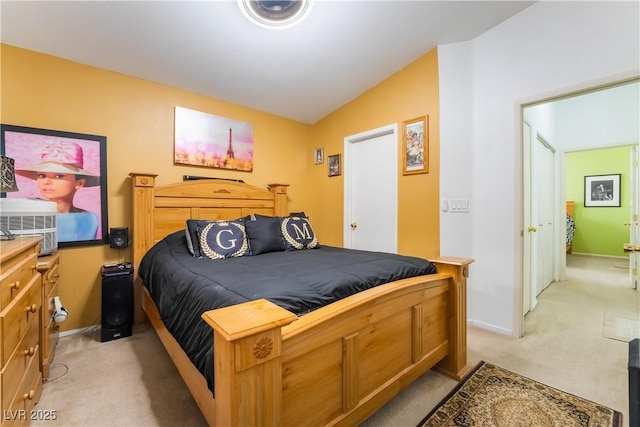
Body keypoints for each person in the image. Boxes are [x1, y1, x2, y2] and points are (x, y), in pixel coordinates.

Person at [15, 140, 100, 241]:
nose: (46, 182)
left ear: (79, 183)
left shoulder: (90, 219)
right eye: (42, 175)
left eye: (58, 176)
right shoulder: (28, 217)